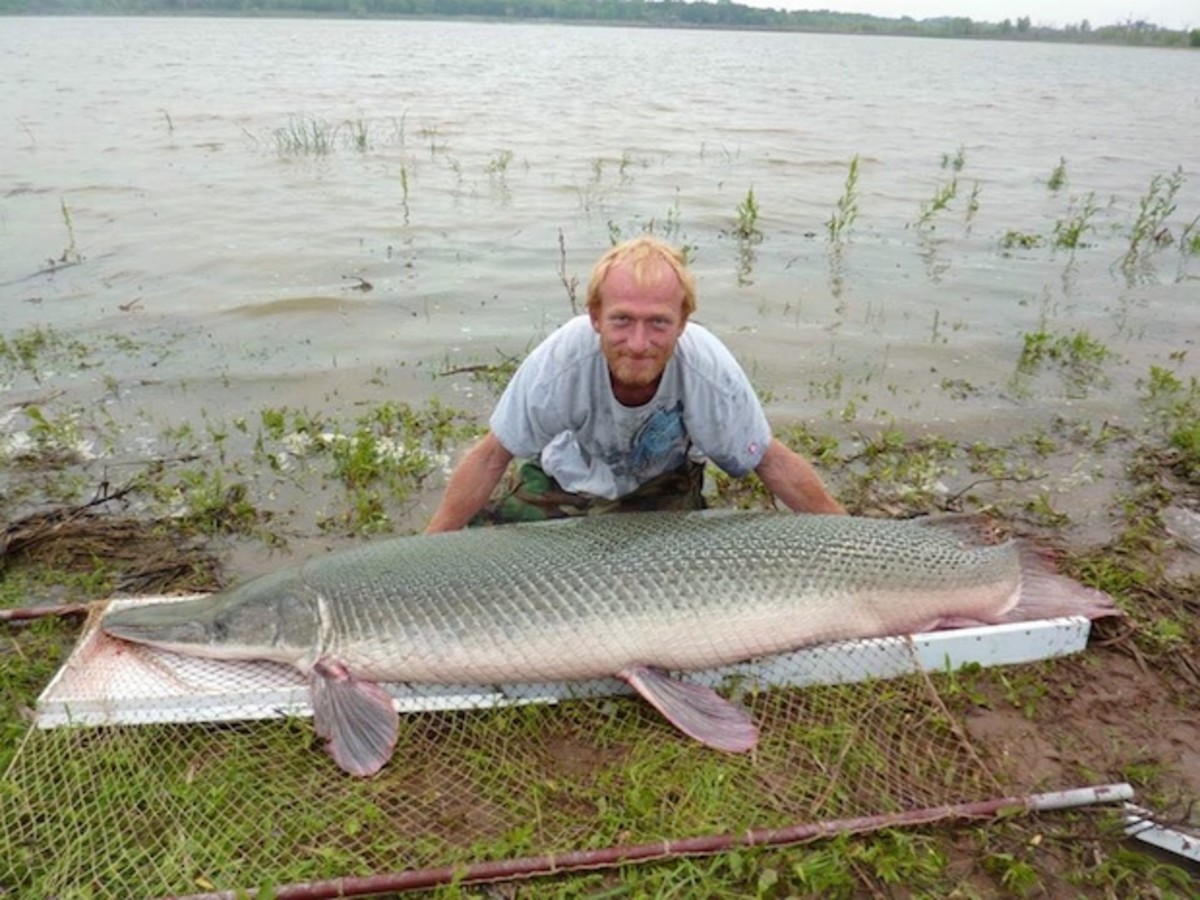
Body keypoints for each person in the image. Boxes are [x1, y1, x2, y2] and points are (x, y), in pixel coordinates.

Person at [425, 235, 844, 533]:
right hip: (565, 480)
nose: (639, 344)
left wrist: (850, 540)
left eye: (658, 323)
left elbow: (770, 461)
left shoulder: (707, 370)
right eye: (622, 320)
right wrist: (431, 550)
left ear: (682, 322)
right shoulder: (560, 362)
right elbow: (489, 458)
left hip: (659, 487)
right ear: (594, 316)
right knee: (485, 548)